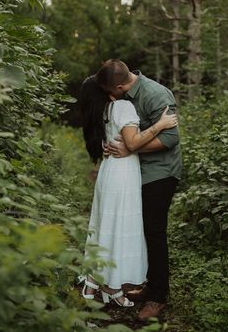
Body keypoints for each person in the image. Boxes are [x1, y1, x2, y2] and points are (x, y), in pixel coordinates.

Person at [80, 75, 178, 308]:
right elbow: (131, 144)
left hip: (135, 172)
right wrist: (158, 126)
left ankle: (135, 290)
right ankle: (108, 283)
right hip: (125, 173)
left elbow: (170, 139)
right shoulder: (121, 105)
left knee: (122, 226)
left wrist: (128, 147)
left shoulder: (110, 108)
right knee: (124, 227)